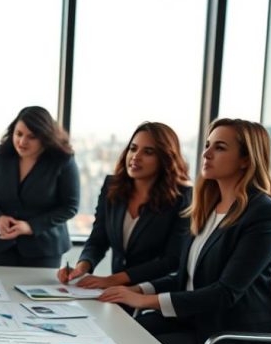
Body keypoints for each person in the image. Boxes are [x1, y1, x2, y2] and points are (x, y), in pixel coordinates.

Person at [100, 119, 271, 344]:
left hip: (230, 337)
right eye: (207, 145)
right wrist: (137, 290)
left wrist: (146, 302)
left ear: (245, 159)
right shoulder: (207, 206)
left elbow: (225, 293)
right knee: (118, 337)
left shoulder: (264, 215)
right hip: (195, 322)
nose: (206, 154)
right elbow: (188, 279)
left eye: (219, 147)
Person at [57, 122, 192, 288]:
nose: (136, 156)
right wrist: (81, 268)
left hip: (153, 293)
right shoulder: (112, 186)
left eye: (148, 152)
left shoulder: (182, 197)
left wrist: (110, 281)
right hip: (116, 293)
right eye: (133, 148)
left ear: (165, 158)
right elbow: (98, 240)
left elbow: (172, 260)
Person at [0, 105, 79, 268]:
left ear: (45, 138)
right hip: (1, 245)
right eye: (19, 134)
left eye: (31, 137)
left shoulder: (62, 160)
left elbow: (70, 207)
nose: (22, 142)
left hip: (43, 247)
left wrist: (30, 227)